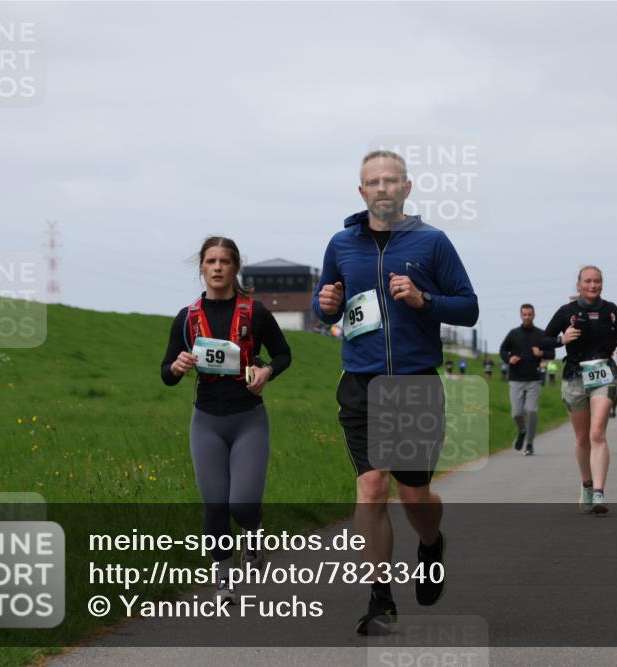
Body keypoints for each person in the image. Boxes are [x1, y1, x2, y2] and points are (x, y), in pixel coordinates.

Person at [312, 150, 479, 635]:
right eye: (373, 182)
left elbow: (467, 308)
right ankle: (379, 599)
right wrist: (325, 305)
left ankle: (431, 545)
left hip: (413, 383)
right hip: (361, 382)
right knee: (371, 486)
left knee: (413, 495)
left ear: (407, 188)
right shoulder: (341, 244)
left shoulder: (432, 242)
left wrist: (423, 299)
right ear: (361, 191)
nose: (382, 188)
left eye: (391, 181)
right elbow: (329, 305)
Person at [161, 236, 292, 604]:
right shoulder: (187, 318)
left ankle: (253, 538)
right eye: (210, 261)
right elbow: (166, 374)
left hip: (248, 419)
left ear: (236, 268)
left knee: (244, 506)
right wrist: (176, 365)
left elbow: (283, 355)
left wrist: (266, 372)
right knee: (215, 504)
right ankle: (224, 580)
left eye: (225, 261)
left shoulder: (256, 313)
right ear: (201, 268)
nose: (217, 268)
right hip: (206, 421)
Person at [542, 266, 617, 514]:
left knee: (597, 432)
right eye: (588, 281)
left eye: (597, 281)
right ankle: (587, 485)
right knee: (582, 438)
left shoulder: (611, 310)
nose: (593, 285)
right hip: (574, 376)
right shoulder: (566, 312)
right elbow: (543, 340)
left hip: (603, 373)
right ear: (578, 285)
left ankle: (599, 492)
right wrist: (561, 340)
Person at [499, 303, 555, 455]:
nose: (527, 317)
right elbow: (502, 350)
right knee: (516, 413)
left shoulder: (541, 334)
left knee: (531, 411)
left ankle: (529, 444)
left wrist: (541, 353)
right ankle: (522, 430)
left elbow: (552, 353)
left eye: (530, 314)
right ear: (521, 315)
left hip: (534, 379)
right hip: (516, 379)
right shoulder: (513, 334)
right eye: (524, 314)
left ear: (534, 315)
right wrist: (509, 358)